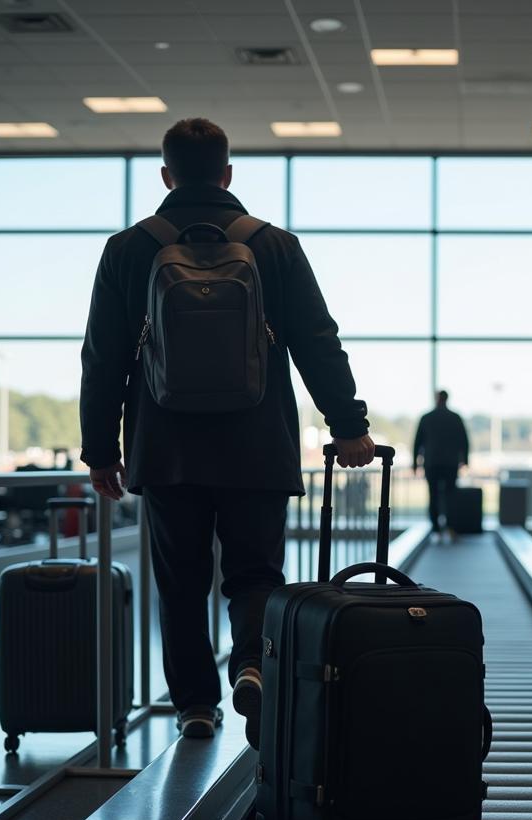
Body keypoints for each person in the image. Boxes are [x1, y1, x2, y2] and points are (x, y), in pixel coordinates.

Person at [80, 118, 375, 742]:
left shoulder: (130, 248)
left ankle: (193, 705)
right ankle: (251, 662)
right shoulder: (274, 245)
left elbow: (103, 357)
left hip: (165, 446)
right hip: (257, 442)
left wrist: (102, 451)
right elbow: (318, 342)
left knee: (181, 582)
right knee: (256, 574)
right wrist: (348, 425)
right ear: (229, 173)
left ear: (166, 175)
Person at [413, 391, 469, 534]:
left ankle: (436, 527)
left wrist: (415, 463)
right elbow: (464, 440)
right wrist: (465, 460)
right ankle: (450, 526)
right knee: (450, 495)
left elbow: (417, 442)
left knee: (433, 495)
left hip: (432, 463)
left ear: (436, 399)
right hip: (451, 463)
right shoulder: (455, 418)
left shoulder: (426, 418)